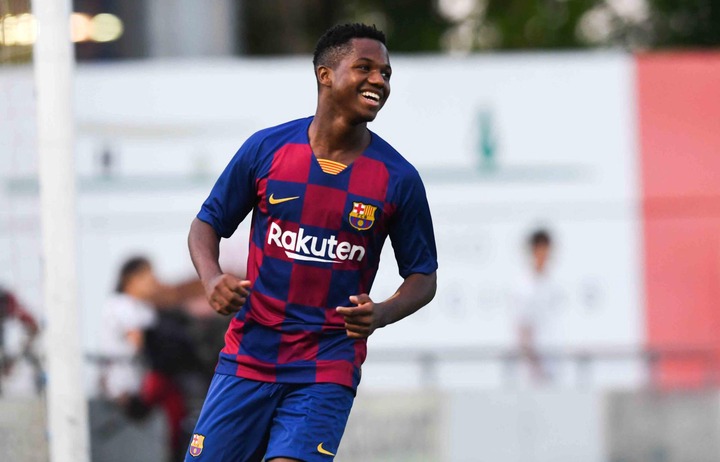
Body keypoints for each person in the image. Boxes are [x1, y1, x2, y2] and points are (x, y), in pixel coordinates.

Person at [185, 23, 438, 462]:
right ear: (325, 75)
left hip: (327, 364)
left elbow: (423, 276)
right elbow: (206, 224)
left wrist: (381, 313)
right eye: (365, 68)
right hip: (249, 355)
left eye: (385, 73)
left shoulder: (398, 178)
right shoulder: (267, 150)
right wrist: (211, 279)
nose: (379, 80)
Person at [513, 228, 564, 384]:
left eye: (546, 250)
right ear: (533, 251)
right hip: (533, 371)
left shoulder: (552, 283)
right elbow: (522, 329)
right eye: (540, 250)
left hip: (555, 365)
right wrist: (534, 365)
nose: (544, 256)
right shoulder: (523, 287)